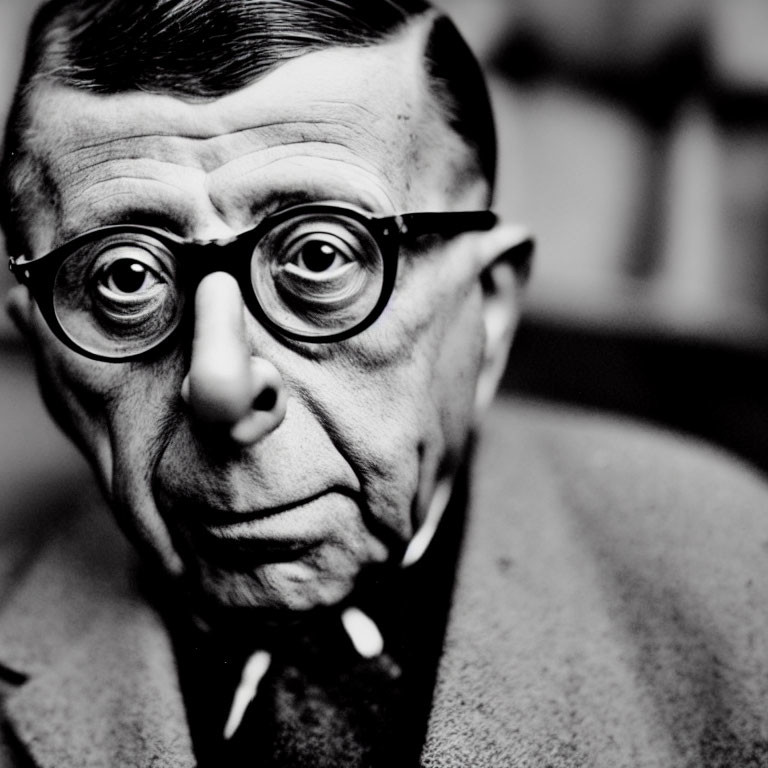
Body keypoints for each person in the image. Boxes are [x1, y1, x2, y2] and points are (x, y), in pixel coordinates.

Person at [1, 1, 768, 766]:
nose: (221, 384)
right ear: (38, 343)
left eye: (321, 257)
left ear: (489, 305)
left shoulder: (741, 583)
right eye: (125, 277)